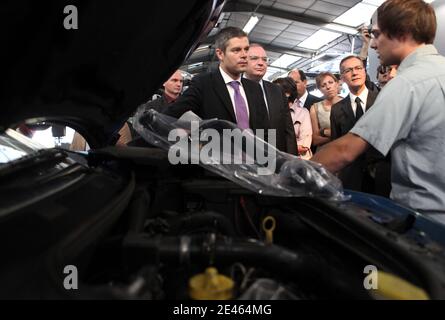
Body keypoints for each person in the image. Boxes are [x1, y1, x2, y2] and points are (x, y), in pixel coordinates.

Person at [311, 0, 445, 223]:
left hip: (425, 222)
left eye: (377, 34)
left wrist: (290, 175)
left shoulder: (406, 84)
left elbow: (345, 150)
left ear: (401, 32)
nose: (373, 44)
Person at [161, 27, 269, 133]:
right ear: (220, 54)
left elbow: (264, 130)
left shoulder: (255, 89)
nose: (244, 55)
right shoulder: (203, 84)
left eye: (246, 49)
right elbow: (167, 117)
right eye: (236, 50)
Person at [330, 55, 379, 191]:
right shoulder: (337, 109)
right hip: (351, 178)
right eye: (348, 70)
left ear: (364, 71)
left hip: (381, 176)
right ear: (342, 77)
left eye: (358, 68)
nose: (355, 73)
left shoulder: (382, 100)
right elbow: (336, 143)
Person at [244, 44, 297, 154]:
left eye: (264, 59)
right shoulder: (235, 89)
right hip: (245, 156)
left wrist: (292, 159)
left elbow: (288, 130)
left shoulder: (277, 91)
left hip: (275, 156)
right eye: (254, 58)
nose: (261, 63)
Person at [272, 77, 312, 159]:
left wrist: (280, 147)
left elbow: (304, 146)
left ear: (287, 93)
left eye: (276, 91)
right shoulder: (271, 112)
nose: (272, 94)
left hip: (298, 160)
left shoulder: (303, 113)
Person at [309, 72, 342, 152]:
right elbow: (315, 140)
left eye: (330, 82)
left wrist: (324, 132)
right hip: (324, 152)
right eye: (323, 85)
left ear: (337, 83)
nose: (328, 87)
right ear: (320, 90)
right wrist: (337, 136)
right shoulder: (315, 108)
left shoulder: (348, 103)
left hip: (345, 150)